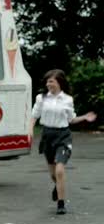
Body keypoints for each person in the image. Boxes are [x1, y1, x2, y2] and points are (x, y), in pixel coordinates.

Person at [29, 69, 96, 215]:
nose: (48, 84)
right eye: (47, 81)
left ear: (59, 82)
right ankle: (58, 186)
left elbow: (71, 119)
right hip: (47, 135)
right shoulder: (41, 98)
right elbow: (34, 116)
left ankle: (61, 203)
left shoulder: (67, 99)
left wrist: (84, 117)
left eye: (51, 81)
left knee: (60, 170)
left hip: (63, 136)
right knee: (54, 174)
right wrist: (30, 131)